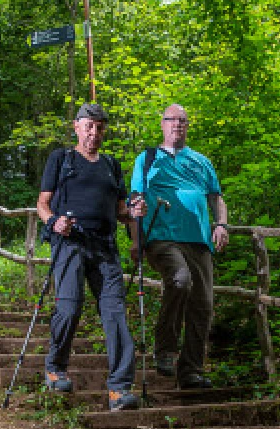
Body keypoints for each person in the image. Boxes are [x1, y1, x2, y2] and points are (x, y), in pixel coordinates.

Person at [37, 102, 146, 411]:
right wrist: (53, 222)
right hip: (70, 243)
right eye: (89, 126)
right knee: (69, 309)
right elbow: (42, 203)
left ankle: (119, 389)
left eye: (99, 128)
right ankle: (55, 369)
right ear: (77, 127)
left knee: (115, 314)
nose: (94, 133)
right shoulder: (61, 159)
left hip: (105, 248)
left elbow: (122, 210)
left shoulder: (111, 165)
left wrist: (134, 211)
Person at [129, 104, 229, 389]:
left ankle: (191, 370)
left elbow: (216, 198)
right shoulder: (148, 159)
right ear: (162, 124)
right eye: (171, 120)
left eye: (182, 121)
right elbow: (135, 196)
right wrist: (136, 238)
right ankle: (165, 351)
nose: (177, 125)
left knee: (203, 304)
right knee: (180, 279)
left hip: (198, 240)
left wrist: (221, 225)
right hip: (162, 236)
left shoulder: (201, 161)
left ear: (188, 126)